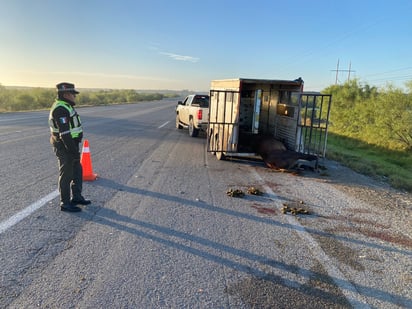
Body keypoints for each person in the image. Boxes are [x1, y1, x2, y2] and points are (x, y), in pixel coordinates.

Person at [49, 82, 91, 212]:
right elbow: (65, 134)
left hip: (71, 145)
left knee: (77, 171)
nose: (75, 97)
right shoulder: (60, 109)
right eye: (73, 94)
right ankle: (65, 203)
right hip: (65, 146)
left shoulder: (67, 106)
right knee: (66, 174)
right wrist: (73, 152)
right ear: (66, 94)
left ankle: (77, 197)